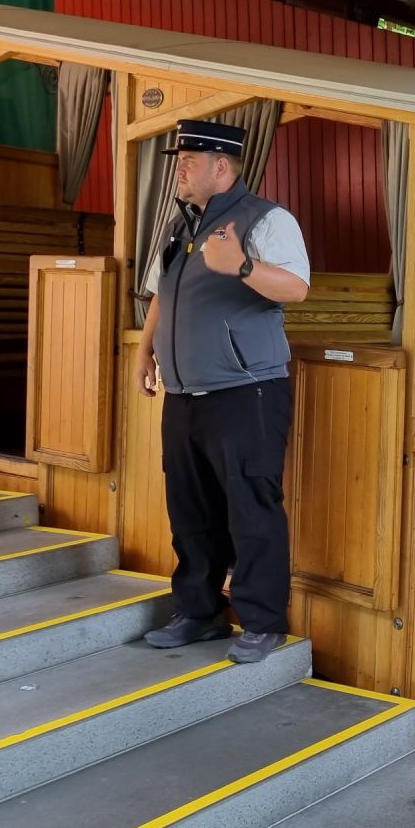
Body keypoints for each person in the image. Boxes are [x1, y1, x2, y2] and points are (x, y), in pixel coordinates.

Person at [133, 118, 310, 664]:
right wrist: (145, 349)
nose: (179, 170)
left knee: (251, 507)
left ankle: (262, 622)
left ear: (222, 166)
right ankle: (198, 613)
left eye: (189, 160)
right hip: (185, 394)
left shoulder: (267, 219)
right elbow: (164, 293)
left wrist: (242, 265)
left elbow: (298, 288)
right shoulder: (179, 226)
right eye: (179, 160)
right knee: (190, 507)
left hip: (247, 391)